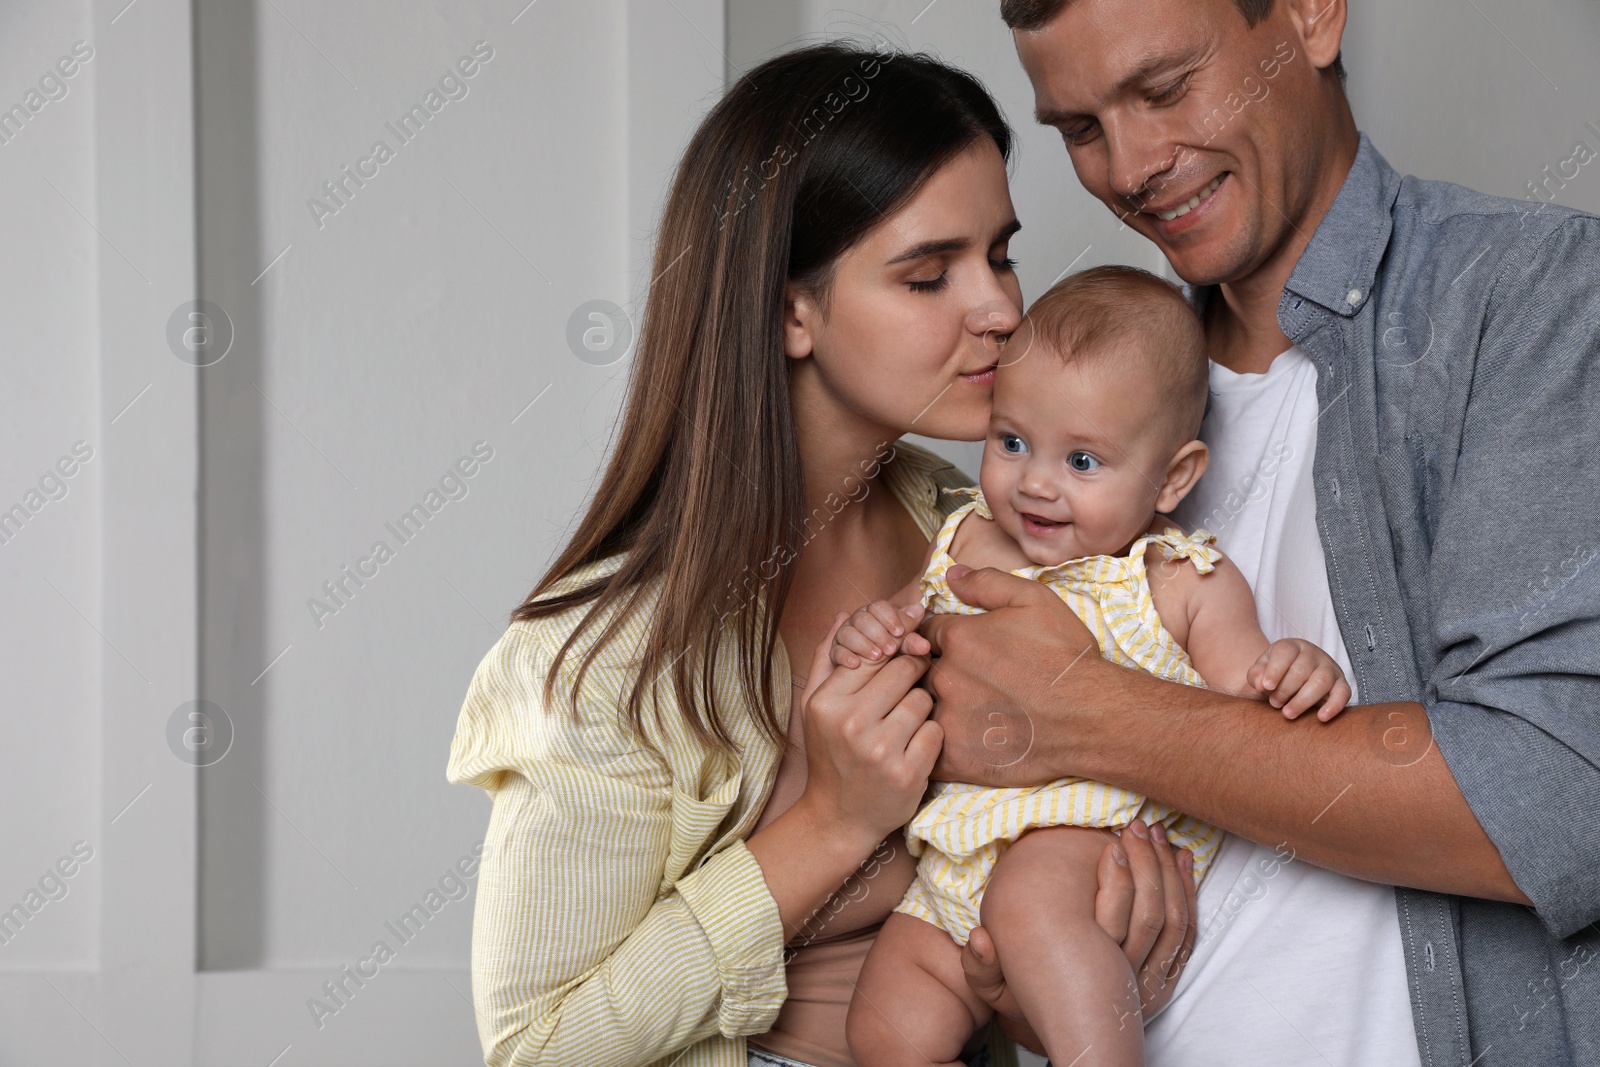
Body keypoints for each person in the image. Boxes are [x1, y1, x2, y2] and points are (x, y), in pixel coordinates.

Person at [446, 44, 1200, 1067]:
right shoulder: (604, 655)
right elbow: (540, 1048)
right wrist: (833, 822)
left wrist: (1089, 954)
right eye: (928, 274)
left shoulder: (998, 535)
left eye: (1001, 255)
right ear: (792, 308)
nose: (1000, 311)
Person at [917, 1, 1600, 1063]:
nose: (1132, 165)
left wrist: (1083, 708)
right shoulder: (1086, 406)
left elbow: (1557, 791)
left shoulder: (1528, 299)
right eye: (1080, 128)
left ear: (1313, 15)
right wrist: (1023, 970)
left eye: (1164, 88)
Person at [836, 266, 1351, 1067]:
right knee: (883, 1026)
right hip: (955, 852)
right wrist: (873, 631)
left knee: (1034, 911)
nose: (1035, 482)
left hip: (1089, 833)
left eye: (1083, 461)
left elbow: (1250, 698)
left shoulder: (1178, 578)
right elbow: (906, 623)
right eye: (1012, 443)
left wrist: (1295, 667)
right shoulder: (966, 538)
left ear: (1174, 477)